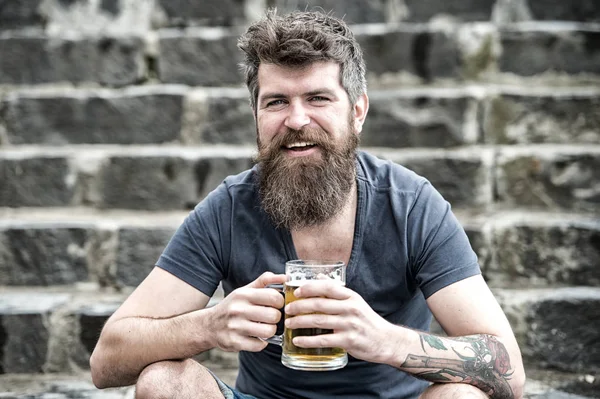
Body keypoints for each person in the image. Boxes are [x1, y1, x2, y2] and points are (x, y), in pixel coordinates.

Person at [90, 8, 525, 399]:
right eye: (276, 102)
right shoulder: (228, 210)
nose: (296, 120)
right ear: (257, 116)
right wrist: (211, 325)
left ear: (357, 111)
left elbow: (509, 369)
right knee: (163, 383)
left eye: (318, 98)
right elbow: (106, 360)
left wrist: (385, 340)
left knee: (462, 398)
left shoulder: (410, 206)